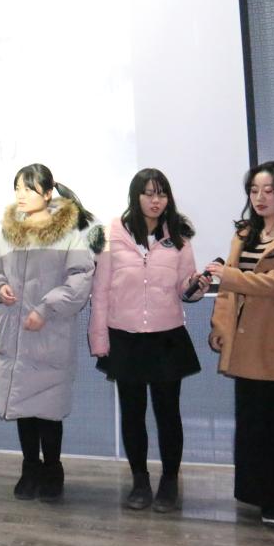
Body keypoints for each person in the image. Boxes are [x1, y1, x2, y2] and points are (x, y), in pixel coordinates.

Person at [0, 163, 99, 502]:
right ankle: (29, 468)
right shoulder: (9, 232)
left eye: (28, 188)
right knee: (22, 406)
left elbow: (80, 280)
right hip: (15, 334)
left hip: (49, 334)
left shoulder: (70, 234)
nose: (21, 194)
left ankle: (53, 469)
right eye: (17, 187)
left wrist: (45, 309)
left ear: (47, 193)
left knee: (48, 410)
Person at [88, 168, 207, 512]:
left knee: (168, 413)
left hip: (166, 337)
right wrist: (99, 340)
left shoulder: (178, 237)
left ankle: (169, 481)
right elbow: (101, 291)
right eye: (149, 193)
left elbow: (185, 287)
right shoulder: (110, 235)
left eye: (162, 193)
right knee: (132, 413)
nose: (156, 201)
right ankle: (139, 480)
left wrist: (196, 287)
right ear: (135, 196)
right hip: (125, 338)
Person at [207, 160, 274, 527]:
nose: (260, 198)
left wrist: (230, 277)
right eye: (254, 190)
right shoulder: (244, 234)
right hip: (246, 347)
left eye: (268, 190)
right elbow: (227, 293)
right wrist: (220, 325)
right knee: (255, 431)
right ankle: (268, 500)